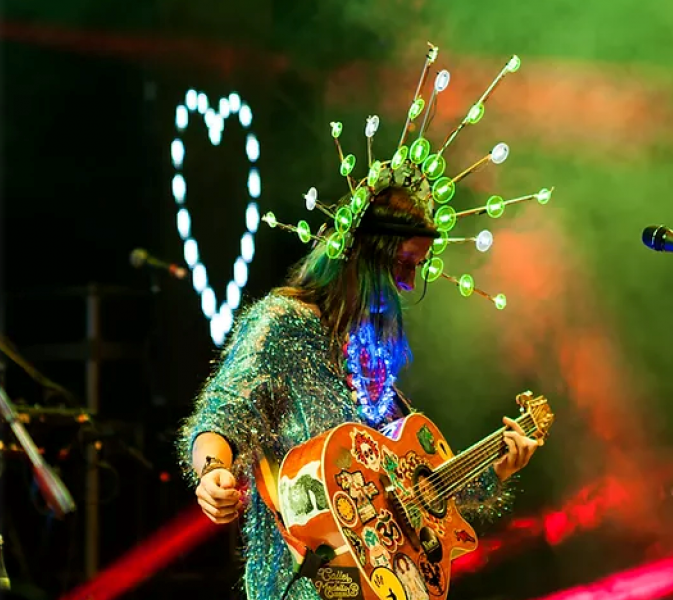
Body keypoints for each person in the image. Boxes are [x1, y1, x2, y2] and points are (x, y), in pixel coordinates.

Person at [177, 184, 540, 600]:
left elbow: (412, 487)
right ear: (365, 255)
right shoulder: (283, 322)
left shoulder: (371, 359)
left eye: (416, 267)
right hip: (301, 580)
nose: (407, 283)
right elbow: (223, 414)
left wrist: (496, 469)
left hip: (372, 586)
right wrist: (212, 472)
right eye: (403, 264)